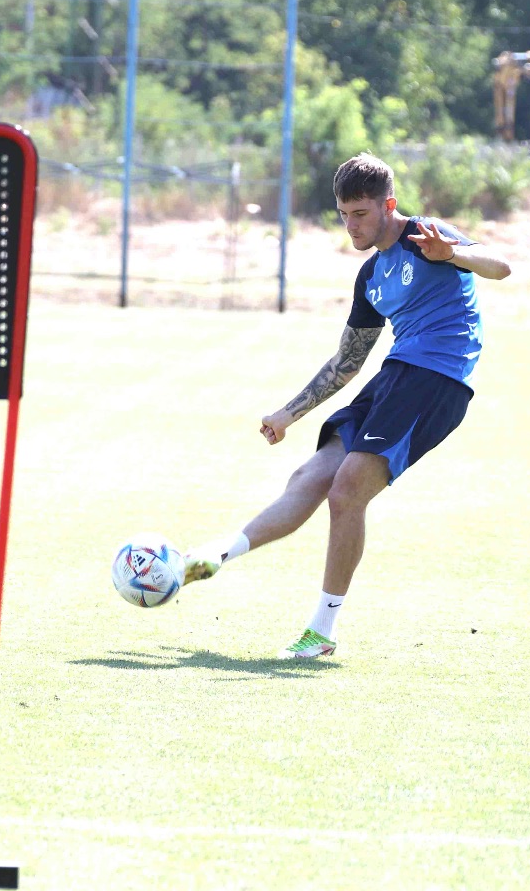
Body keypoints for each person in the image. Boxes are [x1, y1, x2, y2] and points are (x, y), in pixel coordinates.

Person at [181, 153, 511, 659]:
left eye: (361, 213)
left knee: (347, 489)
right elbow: (347, 362)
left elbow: (501, 267)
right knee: (312, 476)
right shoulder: (371, 276)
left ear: (387, 206)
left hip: (438, 379)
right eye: (343, 214)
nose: (351, 225)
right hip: (396, 375)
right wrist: (287, 415)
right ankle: (216, 555)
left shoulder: (427, 235)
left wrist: (454, 255)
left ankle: (321, 631)